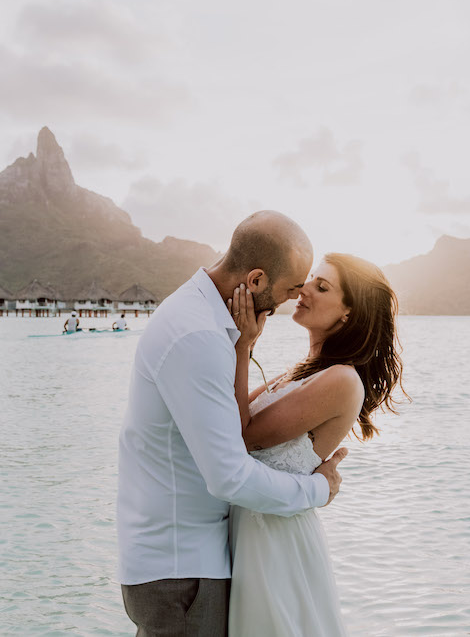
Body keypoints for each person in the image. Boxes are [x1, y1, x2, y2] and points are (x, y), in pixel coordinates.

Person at [117, 211, 349, 636]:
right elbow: (229, 478)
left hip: (180, 562)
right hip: (181, 571)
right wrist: (318, 488)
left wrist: (244, 346)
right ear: (256, 280)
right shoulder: (198, 337)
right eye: (289, 289)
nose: (289, 301)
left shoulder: (200, 318)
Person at [226, 253, 407, 636]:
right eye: (311, 279)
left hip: (274, 544)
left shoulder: (342, 380)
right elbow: (229, 417)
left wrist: (243, 346)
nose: (303, 289)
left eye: (321, 287)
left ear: (347, 315)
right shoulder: (301, 371)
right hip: (253, 531)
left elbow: (241, 436)